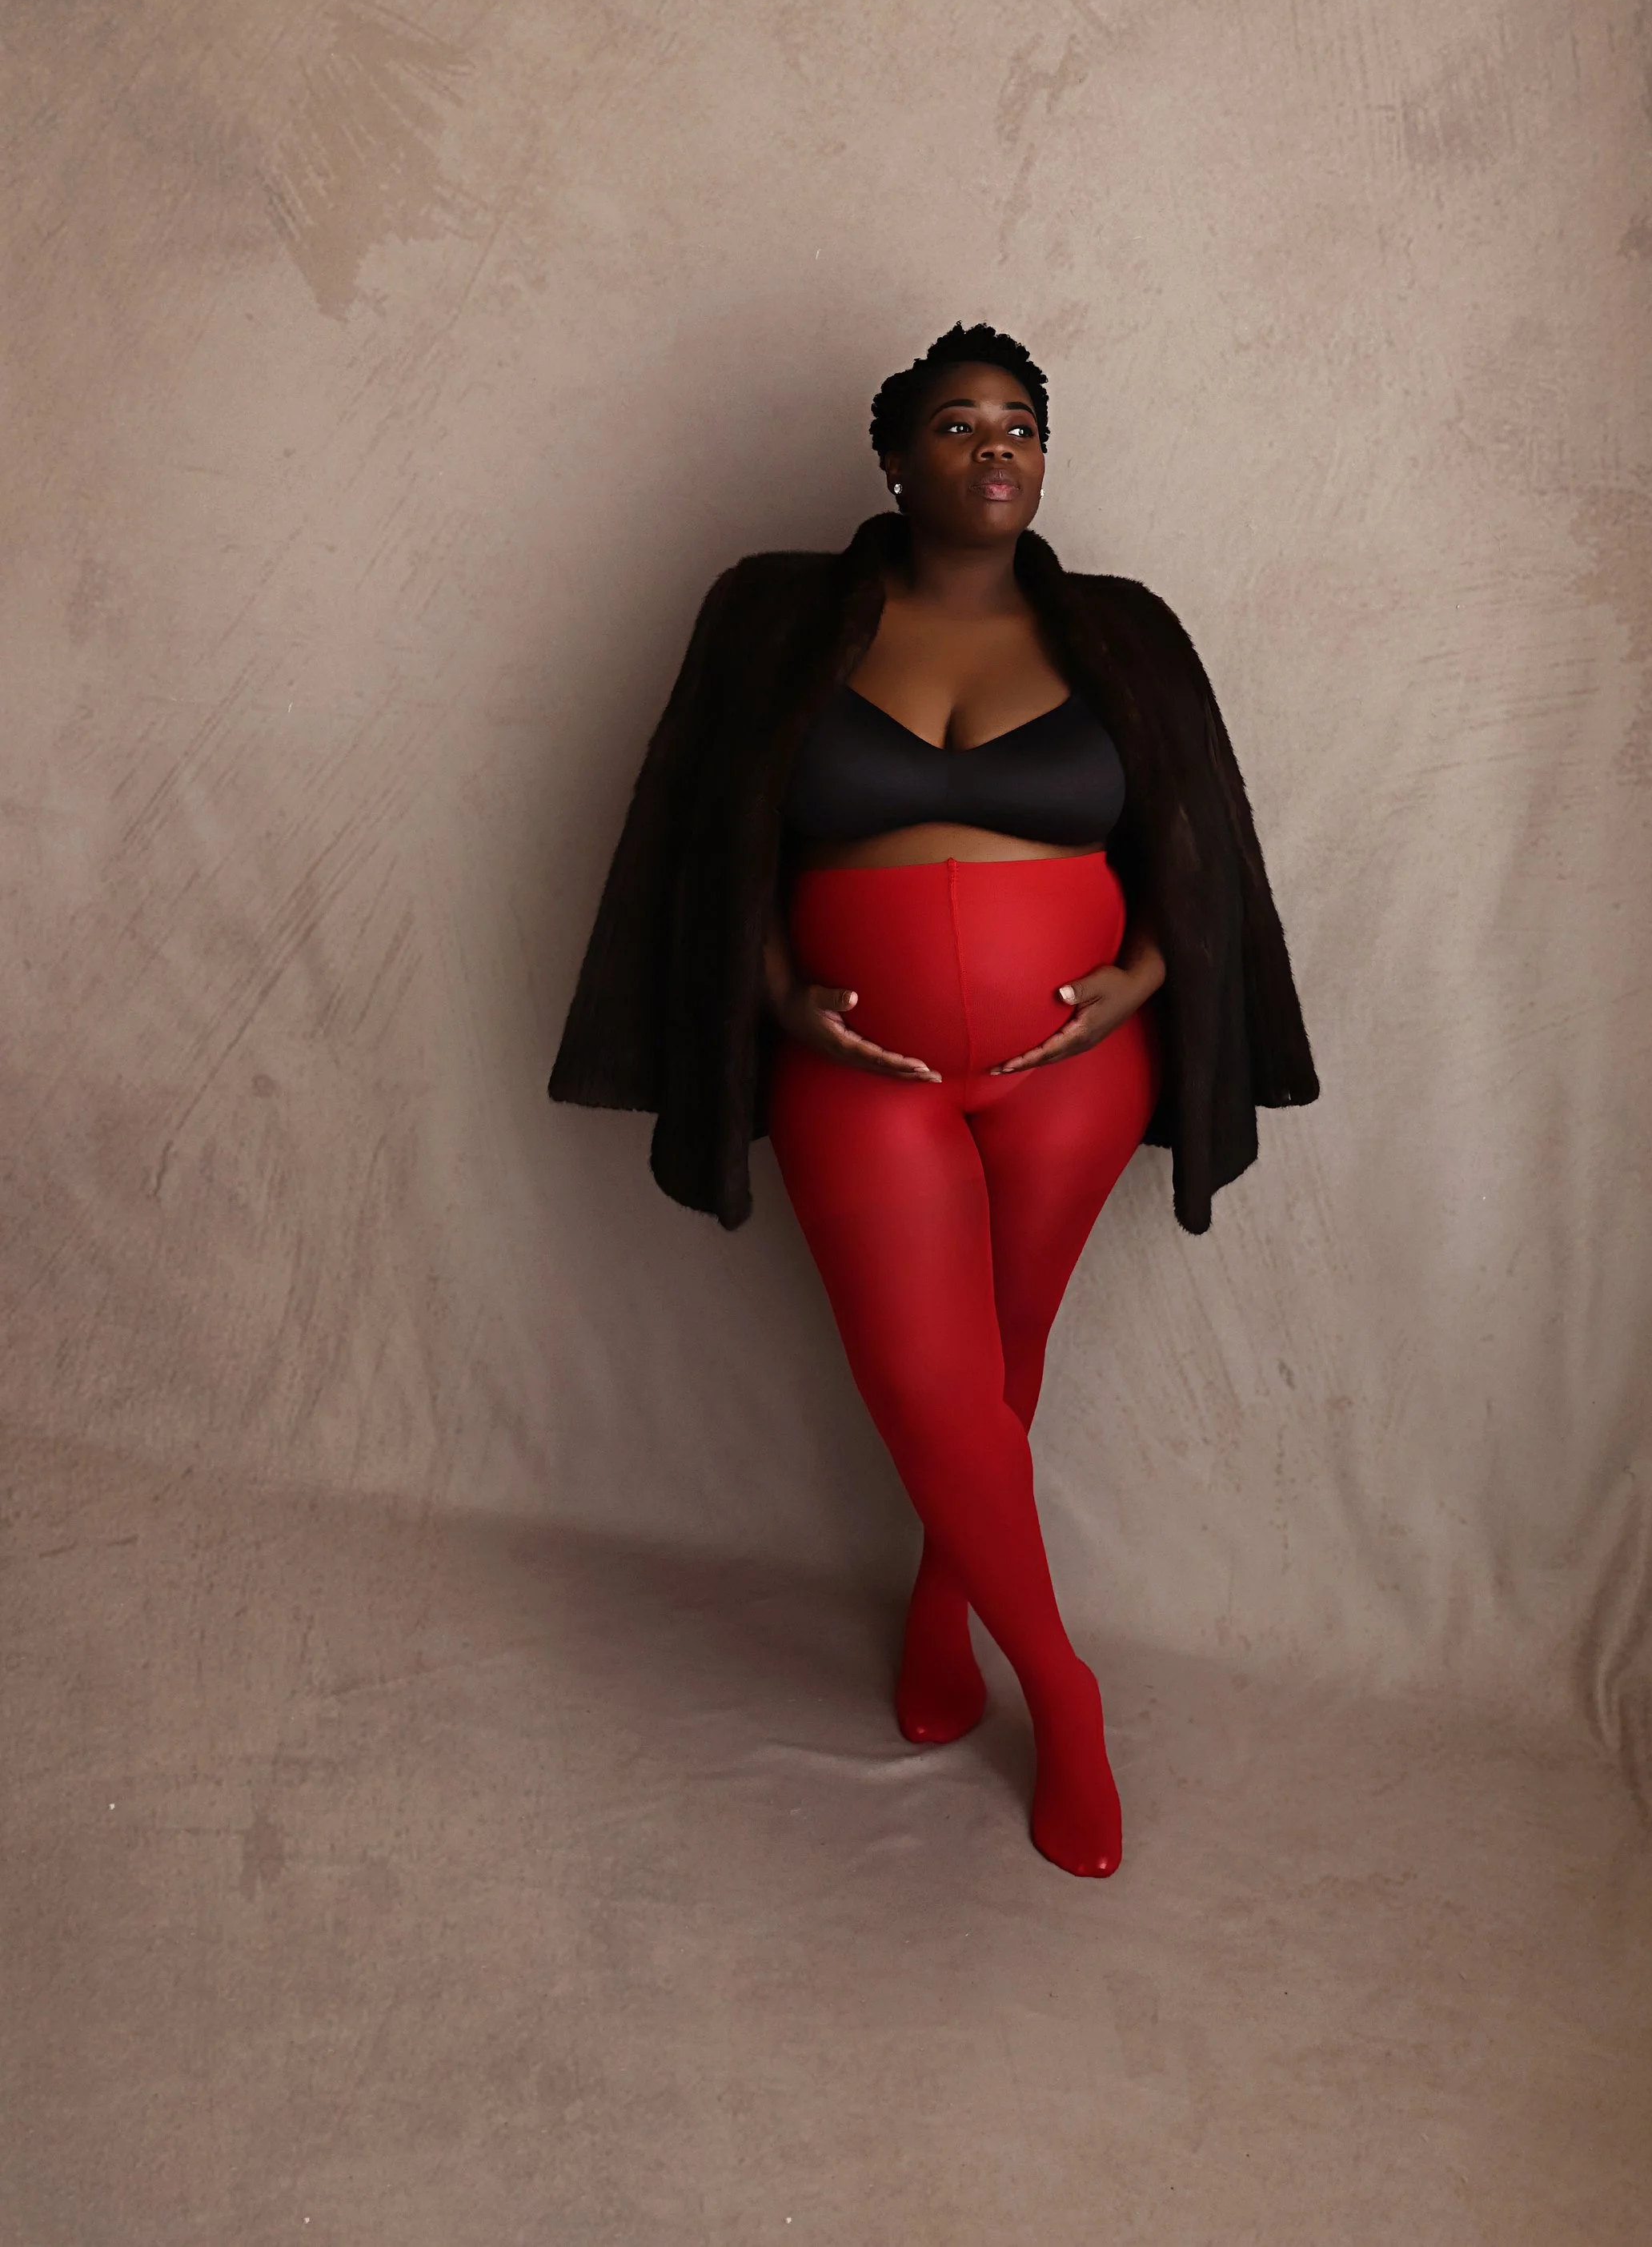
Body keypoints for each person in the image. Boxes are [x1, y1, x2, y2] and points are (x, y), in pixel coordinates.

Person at [549, 323, 1317, 1876]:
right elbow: (714, 819)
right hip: (860, 1073)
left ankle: (940, 1605)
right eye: (959, 424)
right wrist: (774, 991)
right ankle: (1066, 1694)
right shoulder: (776, 614)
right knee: (926, 1381)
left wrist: (1154, 970)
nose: (994, 450)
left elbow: (1196, 827)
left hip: (1072, 1072)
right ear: (894, 456)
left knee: (1000, 1361)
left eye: (1021, 426)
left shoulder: (1119, 629)